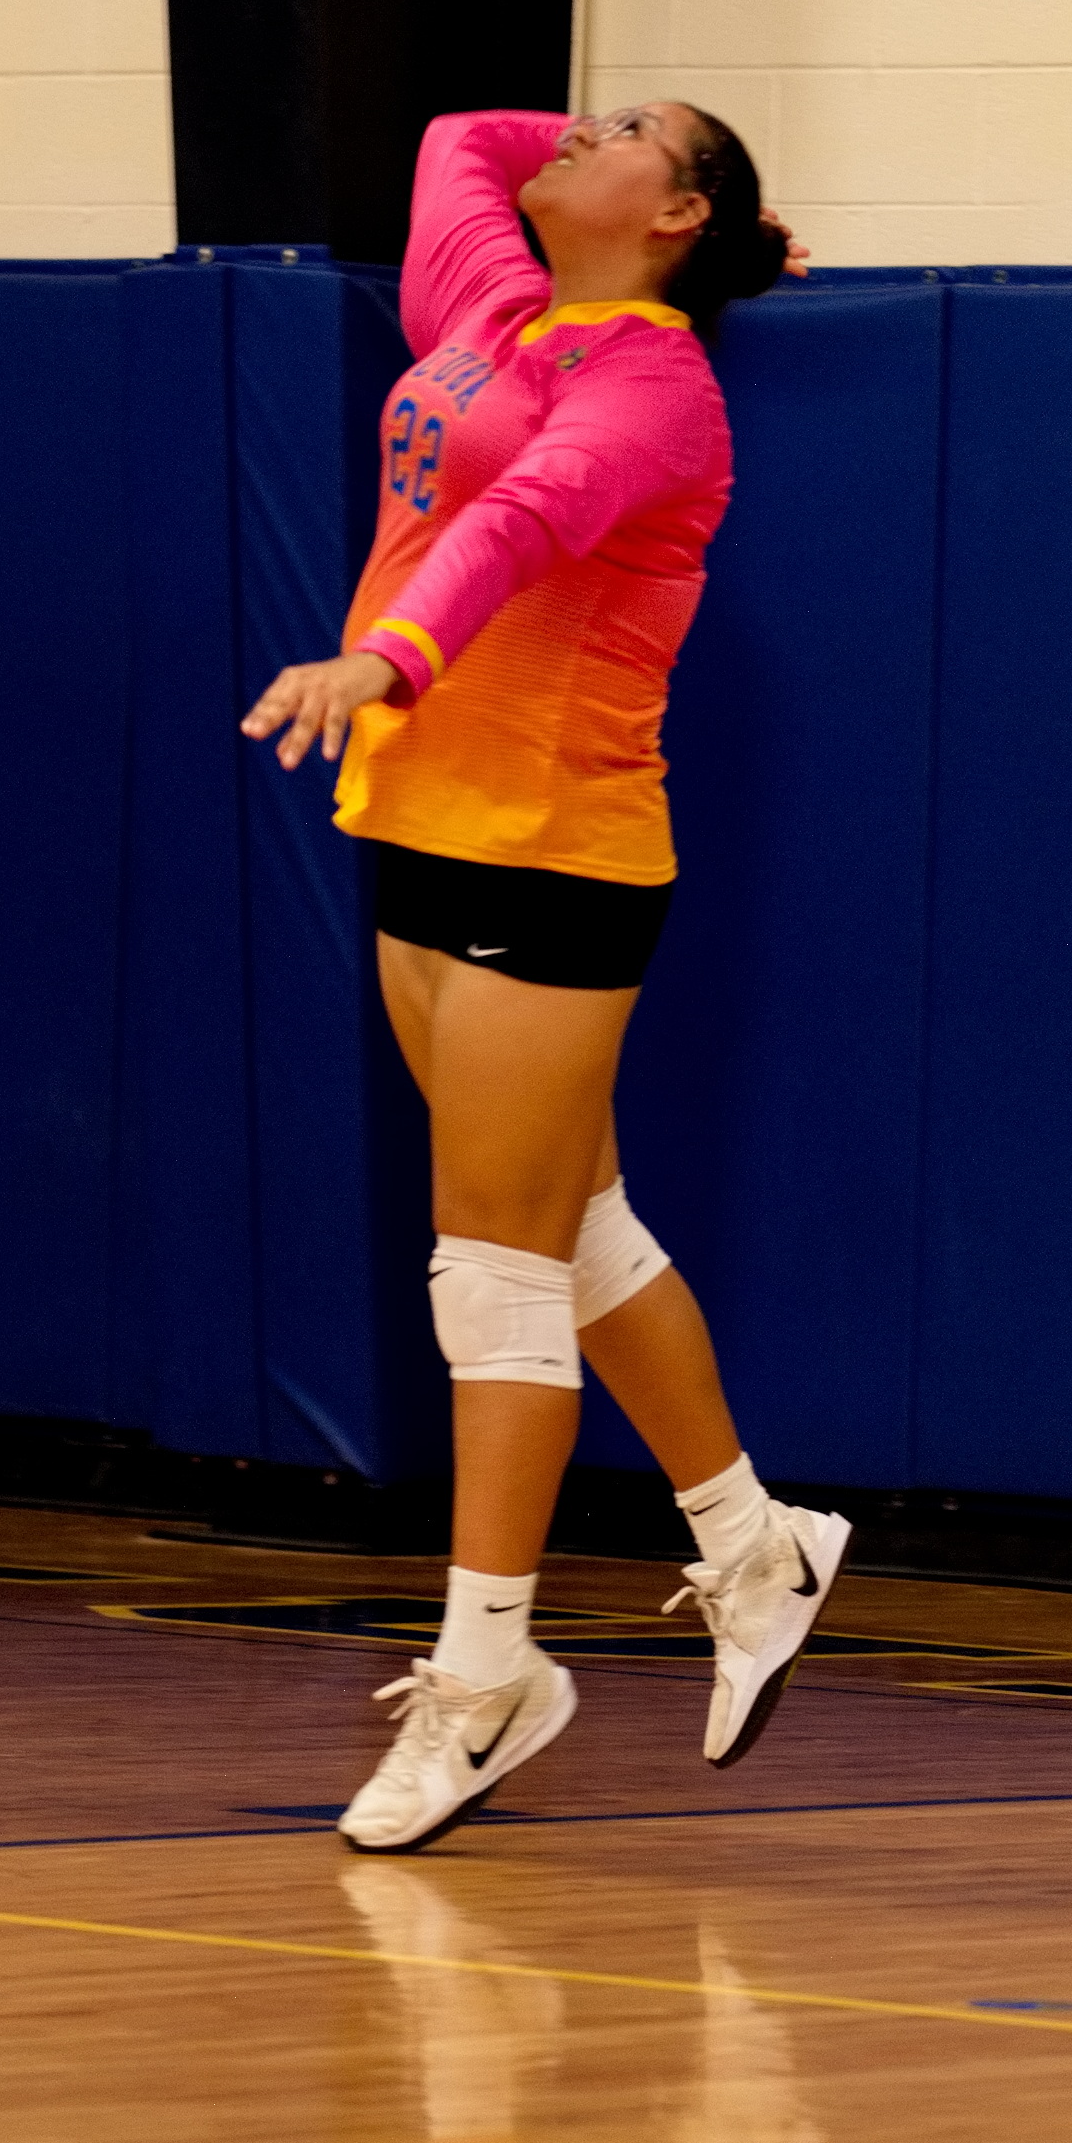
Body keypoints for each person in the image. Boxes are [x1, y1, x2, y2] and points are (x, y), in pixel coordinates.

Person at [242, 104, 850, 1851]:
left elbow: (521, 520)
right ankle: (753, 1543)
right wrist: (719, 205)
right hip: (422, 822)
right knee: (579, 1230)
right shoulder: (500, 302)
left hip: (551, 854)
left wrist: (387, 655)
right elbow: (452, 131)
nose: (575, 130)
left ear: (671, 214)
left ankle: (490, 1674)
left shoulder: (659, 388)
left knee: (492, 1278)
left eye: (631, 132)